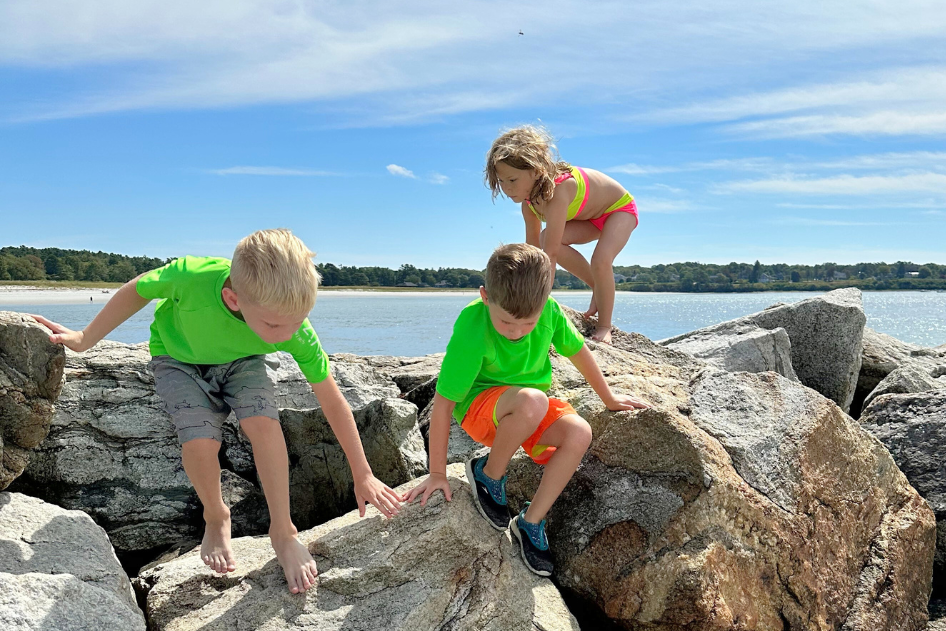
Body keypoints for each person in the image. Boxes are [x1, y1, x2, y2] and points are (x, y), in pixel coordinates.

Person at [33, 228, 402, 593]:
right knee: (200, 442)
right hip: (178, 359)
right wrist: (84, 339)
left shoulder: (293, 328)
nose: (287, 332)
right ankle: (216, 513)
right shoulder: (191, 276)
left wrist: (362, 473)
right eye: (274, 324)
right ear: (234, 298)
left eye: (297, 320)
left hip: (245, 361)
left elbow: (331, 398)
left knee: (264, 424)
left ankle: (284, 531)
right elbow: (138, 290)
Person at [406, 243, 648, 576]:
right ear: (485, 296)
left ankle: (530, 522)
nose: (517, 332)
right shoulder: (473, 325)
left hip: (527, 408)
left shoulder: (548, 310)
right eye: (507, 323)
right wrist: (437, 474)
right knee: (533, 400)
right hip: (481, 408)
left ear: (546, 298)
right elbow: (445, 403)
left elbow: (579, 352)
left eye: (528, 324)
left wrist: (609, 398)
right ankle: (489, 476)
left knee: (579, 432)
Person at [485, 124, 639, 345]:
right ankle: (598, 286)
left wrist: (537, 305)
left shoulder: (558, 192)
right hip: (590, 217)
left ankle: (605, 326)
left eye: (513, 180)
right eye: (502, 181)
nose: (507, 188)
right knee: (544, 239)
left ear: (536, 171)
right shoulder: (529, 205)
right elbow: (534, 253)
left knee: (600, 260)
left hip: (618, 211)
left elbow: (551, 256)